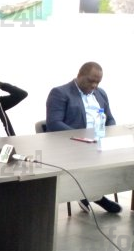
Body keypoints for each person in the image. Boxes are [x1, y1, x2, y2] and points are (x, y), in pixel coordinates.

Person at [46, 61, 121, 213]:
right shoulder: (60, 93)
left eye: (97, 82)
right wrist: (83, 138)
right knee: (94, 157)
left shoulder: (100, 93)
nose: (94, 85)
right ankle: (94, 196)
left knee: (121, 157)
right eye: (91, 81)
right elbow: (54, 124)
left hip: (98, 142)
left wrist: (110, 134)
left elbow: (110, 119)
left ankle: (92, 194)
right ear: (79, 75)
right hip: (73, 145)